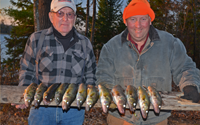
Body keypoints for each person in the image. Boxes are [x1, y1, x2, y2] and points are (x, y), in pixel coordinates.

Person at [95, 0, 200, 125]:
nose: (138, 25)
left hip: (156, 119)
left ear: (150, 20)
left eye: (143, 19)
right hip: (121, 117)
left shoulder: (170, 43)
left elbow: (185, 67)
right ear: (125, 21)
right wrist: (113, 97)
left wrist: (190, 85)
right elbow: (103, 77)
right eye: (132, 19)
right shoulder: (111, 47)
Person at [12, 0, 96, 124]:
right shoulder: (36, 39)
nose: (65, 18)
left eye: (70, 14)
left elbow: (91, 75)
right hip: (41, 108)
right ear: (51, 16)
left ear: (75, 18)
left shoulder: (85, 43)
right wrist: (24, 94)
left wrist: (89, 97)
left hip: (73, 110)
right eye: (60, 13)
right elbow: (26, 69)